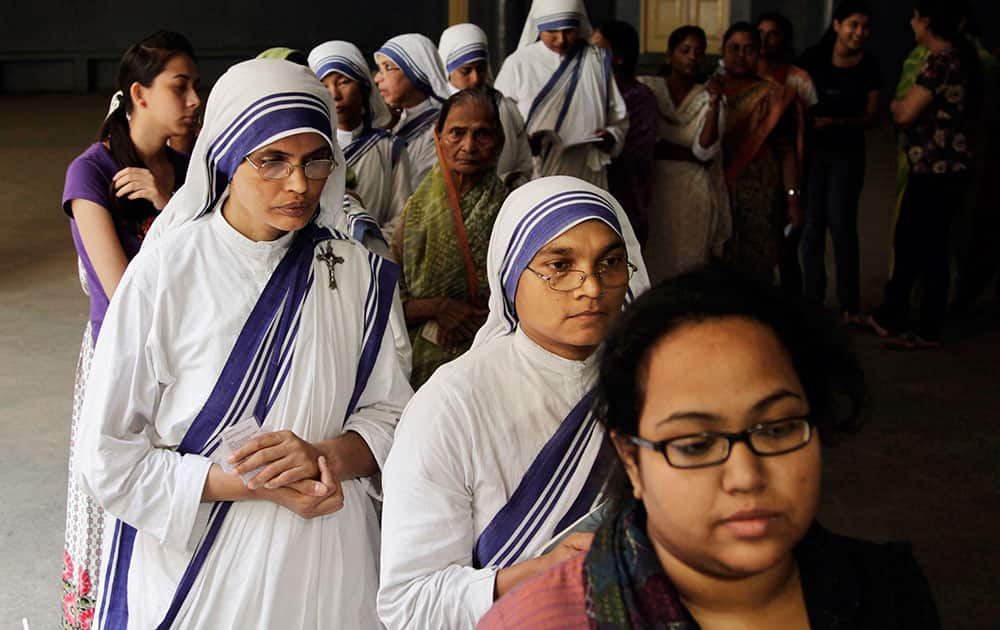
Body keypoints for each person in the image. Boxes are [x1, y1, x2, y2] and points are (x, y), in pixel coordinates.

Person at [75, 59, 413, 629]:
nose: (301, 184)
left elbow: (394, 415)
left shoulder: (356, 272)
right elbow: (109, 457)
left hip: (329, 564)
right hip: (202, 577)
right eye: (273, 161)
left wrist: (324, 457)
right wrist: (256, 486)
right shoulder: (166, 274)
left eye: (315, 160)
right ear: (229, 156)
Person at [479, 267, 940, 629]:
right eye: (695, 444)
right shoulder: (540, 622)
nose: (746, 476)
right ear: (631, 460)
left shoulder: (889, 593)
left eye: (777, 429)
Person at [378, 176, 650, 628]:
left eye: (610, 262)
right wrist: (536, 577)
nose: (591, 287)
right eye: (560, 265)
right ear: (509, 275)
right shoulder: (453, 403)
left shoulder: (653, 384)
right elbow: (410, 602)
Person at [59, 31, 199, 629]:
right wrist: (178, 220)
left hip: (189, 352)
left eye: (196, 84)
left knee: (177, 494)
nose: (195, 99)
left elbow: (217, 265)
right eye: (180, 86)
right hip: (122, 357)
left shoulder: (189, 169)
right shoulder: (90, 173)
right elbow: (123, 294)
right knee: (115, 486)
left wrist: (169, 204)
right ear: (139, 94)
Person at [868, 0, 982, 348]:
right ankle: (894, 315)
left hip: (936, 167)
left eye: (915, 18)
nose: (911, 24)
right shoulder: (960, 56)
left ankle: (924, 327)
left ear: (927, 22)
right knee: (920, 243)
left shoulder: (942, 60)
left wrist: (894, 105)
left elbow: (905, 113)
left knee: (924, 246)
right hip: (944, 166)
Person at [392, 87, 506, 387]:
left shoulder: (511, 209)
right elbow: (388, 299)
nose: (468, 146)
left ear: (499, 142)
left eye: (482, 134)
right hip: (421, 364)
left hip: (494, 360)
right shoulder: (417, 210)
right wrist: (438, 308)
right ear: (438, 137)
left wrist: (486, 320)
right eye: (457, 133)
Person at [798, 1, 880, 323]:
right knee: (811, 227)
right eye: (853, 25)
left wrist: (838, 123)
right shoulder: (813, 60)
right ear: (837, 25)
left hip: (847, 154)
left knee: (843, 225)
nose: (859, 33)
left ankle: (850, 305)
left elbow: (873, 115)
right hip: (814, 154)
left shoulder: (869, 65)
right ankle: (812, 301)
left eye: (865, 27)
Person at [494, 0, 629, 189]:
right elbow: (500, 123)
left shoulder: (596, 61)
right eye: (552, 32)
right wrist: (524, 145)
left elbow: (619, 120)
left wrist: (610, 137)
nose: (562, 39)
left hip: (586, 172)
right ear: (539, 28)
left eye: (568, 30)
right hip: (535, 174)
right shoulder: (518, 64)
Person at [637, 26, 729, 282]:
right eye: (685, 50)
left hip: (693, 190)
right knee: (653, 255)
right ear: (669, 54)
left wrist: (712, 103)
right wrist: (676, 150)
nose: (692, 57)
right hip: (655, 187)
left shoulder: (711, 98)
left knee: (689, 259)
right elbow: (643, 141)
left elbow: (704, 151)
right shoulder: (648, 89)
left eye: (699, 53)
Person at [720, 22, 802, 284]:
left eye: (748, 49)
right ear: (722, 52)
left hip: (760, 189)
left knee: (757, 260)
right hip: (715, 186)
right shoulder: (708, 91)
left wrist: (792, 198)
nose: (741, 55)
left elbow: (787, 151)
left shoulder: (775, 97)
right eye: (734, 48)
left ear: (759, 53)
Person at [310, 40, 413, 242]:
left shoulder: (389, 149)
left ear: (363, 88)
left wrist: (366, 237)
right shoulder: (311, 151)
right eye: (325, 85)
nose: (335, 95)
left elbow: (402, 219)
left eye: (343, 82)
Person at [756, 12, 817, 297]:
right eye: (761, 33)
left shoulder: (797, 79)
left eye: (773, 33)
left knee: (786, 247)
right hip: (747, 175)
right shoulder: (743, 76)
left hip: (787, 169)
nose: (766, 40)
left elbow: (807, 129)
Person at [438, 23, 533, 191]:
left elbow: (523, 160)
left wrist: (514, 183)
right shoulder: (437, 110)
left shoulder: (503, 105)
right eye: (466, 71)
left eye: (480, 69)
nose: (475, 78)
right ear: (448, 71)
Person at [592, 20, 657, 246]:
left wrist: (611, 140)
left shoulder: (639, 96)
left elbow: (640, 151)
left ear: (618, 56)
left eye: (599, 50)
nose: (591, 56)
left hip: (623, 192)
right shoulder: (589, 91)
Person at [375, 33, 451, 191]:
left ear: (415, 72)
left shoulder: (440, 128)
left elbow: (419, 188)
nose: (377, 78)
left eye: (387, 68)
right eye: (379, 69)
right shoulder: (395, 120)